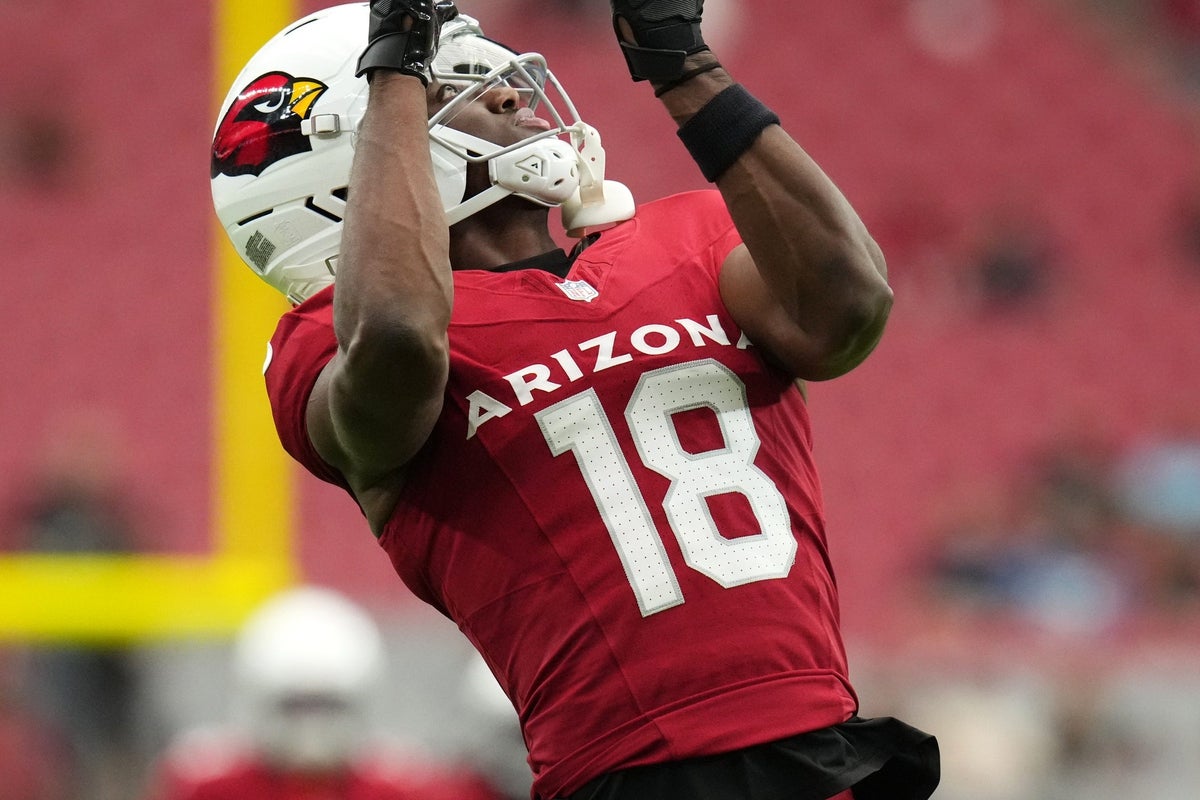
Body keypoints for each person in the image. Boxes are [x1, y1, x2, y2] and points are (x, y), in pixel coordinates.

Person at [210, 3, 941, 799]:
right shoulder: (327, 345)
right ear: (356, 157)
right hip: (627, 779)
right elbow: (397, 338)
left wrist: (683, 64)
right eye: (458, 85)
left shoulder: (681, 241)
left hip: (819, 746)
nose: (512, 98)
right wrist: (394, 70)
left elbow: (849, 309)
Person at [144, 586, 502, 800]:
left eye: (327, 706)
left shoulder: (403, 787)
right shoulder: (209, 784)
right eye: (297, 707)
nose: (312, 728)